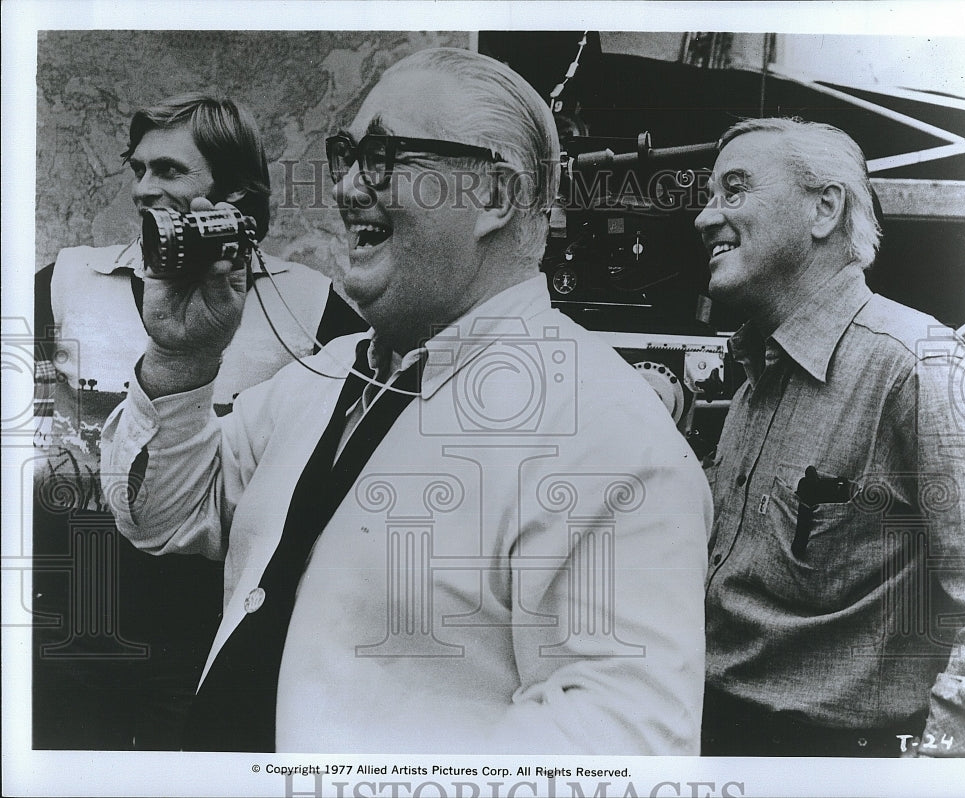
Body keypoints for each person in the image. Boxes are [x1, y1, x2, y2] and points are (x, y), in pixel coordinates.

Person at [101, 48, 711, 754]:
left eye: (385, 155)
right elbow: (161, 517)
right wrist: (182, 360)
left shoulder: (606, 434)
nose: (350, 188)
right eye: (347, 156)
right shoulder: (324, 375)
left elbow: (618, 744)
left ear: (493, 195)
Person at [33, 92, 364, 749]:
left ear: (237, 191)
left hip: (210, 623)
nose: (144, 189)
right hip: (77, 612)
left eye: (170, 172)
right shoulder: (69, 278)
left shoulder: (307, 304)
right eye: (139, 170)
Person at [694, 117, 965, 757]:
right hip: (715, 739)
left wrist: (941, 763)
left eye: (733, 191)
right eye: (710, 196)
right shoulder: (751, 381)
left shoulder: (917, 365)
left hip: (840, 758)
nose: (705, 219)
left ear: (825, 208)